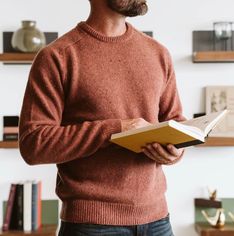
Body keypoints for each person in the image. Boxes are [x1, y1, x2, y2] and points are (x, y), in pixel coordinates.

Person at [19, 0, 185, 235]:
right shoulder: (57, 57)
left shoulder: (158, 53)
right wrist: (116, 130)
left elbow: (174, 120)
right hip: (91, 225)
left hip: (158, 221)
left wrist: (176, 150)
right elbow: (34, 143)